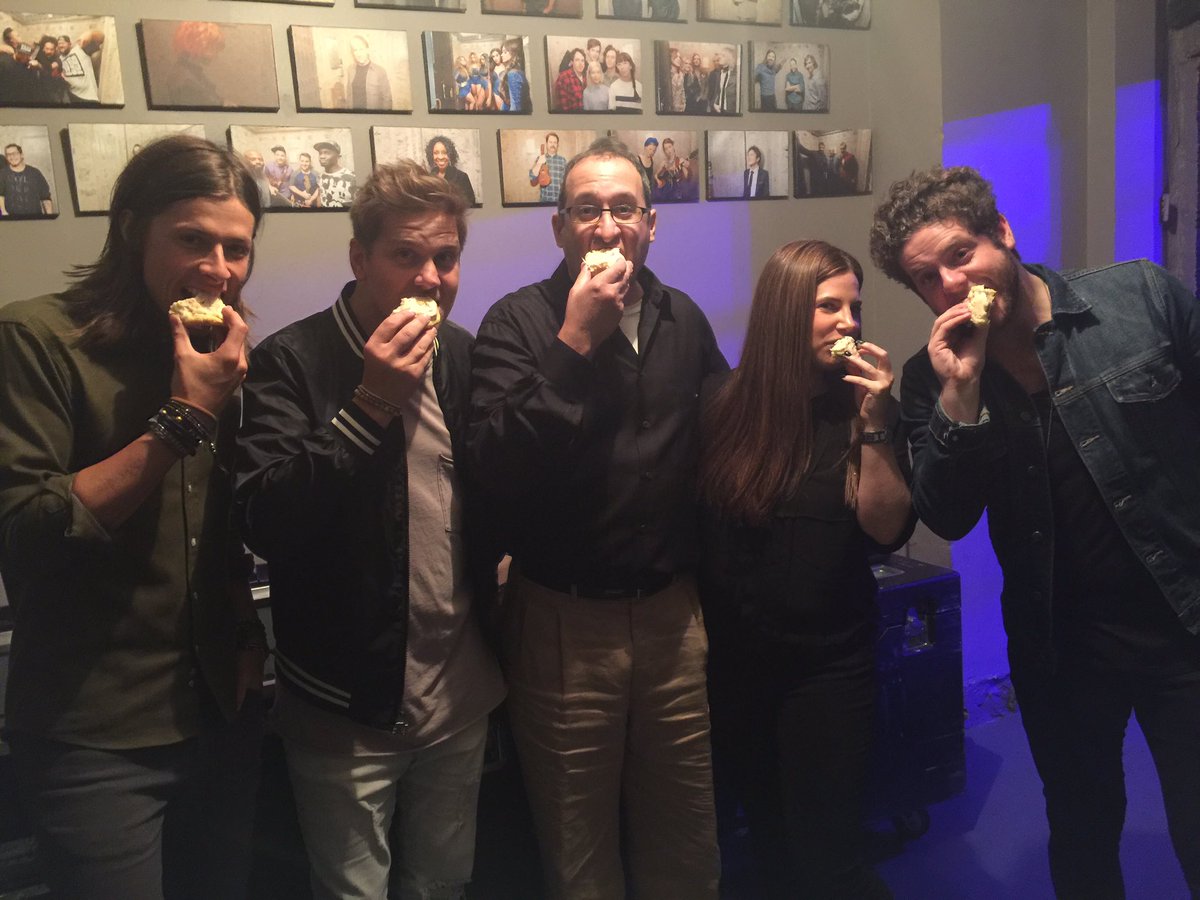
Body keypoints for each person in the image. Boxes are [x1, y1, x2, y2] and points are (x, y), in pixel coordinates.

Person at [870, 165, 1200, 900]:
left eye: (962, 256)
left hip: (1184, 621)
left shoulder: (1139, 296)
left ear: (1004, 235)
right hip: (1062, 645)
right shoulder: (935, 377)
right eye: (929, 278)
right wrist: (961, 392)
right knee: (1082, 831)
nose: (953, 284)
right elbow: (947, 516)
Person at [0, 133, 267, 900]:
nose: (217, 270)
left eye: (236, 249)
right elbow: (26, 533)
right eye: (192, 241)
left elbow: (220, 531)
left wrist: (248, 634)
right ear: (129, 229)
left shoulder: (221, 351)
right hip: (94, 732)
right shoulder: (37, 341)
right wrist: (184, 416)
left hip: (218, 713)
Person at [236, 159, 505, 900]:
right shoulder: (291, 361)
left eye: (445, 258)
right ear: (360, 258)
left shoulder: (459, 351)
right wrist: (369, 406)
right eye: (406, 255)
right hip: (342, 704)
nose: (429, 278)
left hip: (458, 694)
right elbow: (267, 519)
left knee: (442, 884)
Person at [469, 136, 727, 899]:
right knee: (578, 849)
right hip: (562, 624)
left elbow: (727, 435)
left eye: (623, 209)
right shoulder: (516, 322)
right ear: (559, 228)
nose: (607, 227)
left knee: (686, 835)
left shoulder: (684, 318)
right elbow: (494, 469)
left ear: (651, 224)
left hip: (675, 619)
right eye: (587, 210)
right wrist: (575, 341)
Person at [700, 239, 909, 899]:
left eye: (854, 306)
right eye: (829, 306)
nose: (849, 322)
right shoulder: (721, 404)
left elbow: (887, 527)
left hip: (829, 668)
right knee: (769, 844)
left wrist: (876, 422)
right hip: (737, 667)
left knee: (830, 855)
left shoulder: (861, 410)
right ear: (786, 312)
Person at [0, 143, 53, 216]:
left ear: (21, 155)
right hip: (12, 220)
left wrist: (49, 218)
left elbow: (46, 197)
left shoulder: (35, 173)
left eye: (15, 153)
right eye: (8, 155)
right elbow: (0, 195)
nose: (12, 157)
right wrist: (4, 212)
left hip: (35, 219)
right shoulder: (2, 174)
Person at [425, 133, 477, 206]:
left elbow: (471, 205)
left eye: (444, 152)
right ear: (431, 155)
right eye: (436, 153)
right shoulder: (428, 178)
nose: (440, 157)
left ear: (450, 155)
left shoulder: (462, 177)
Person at [345, 34, 392, 109]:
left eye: (361, 49)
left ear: (367, 50)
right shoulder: (350, 70)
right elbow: (349, 95)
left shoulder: (380, 71)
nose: (359, 54)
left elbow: (387, 99)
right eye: (355, 50)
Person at [58, 31, 100, 104]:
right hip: (72, 96)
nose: (60, 45)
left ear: (70, 44)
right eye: (59, 43)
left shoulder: (79, 50)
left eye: (63, 43)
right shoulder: (59, 58)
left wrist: (91, 33)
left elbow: (101, 38)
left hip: (89, 97)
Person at [314, 139, 356, 208]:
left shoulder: (351, 177)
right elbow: (320, 197)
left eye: (327, 153)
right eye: (320, 153)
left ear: (338, 156)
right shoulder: (320, 176)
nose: (322, 156)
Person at [528, 131, 566, 204]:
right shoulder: (540, 158)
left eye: (555, 142)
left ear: (557, 145)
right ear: (546, 144)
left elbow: (566, 182)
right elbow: (532, 178)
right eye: (550, 142)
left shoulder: (563, 160)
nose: (553, 144)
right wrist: (539, 163)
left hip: (559, 202)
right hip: (544, 201)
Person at [653, 137, 687, 203]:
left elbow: (686, 176)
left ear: (673, 146)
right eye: (666, 149)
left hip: (678, 195)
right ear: (664, 151)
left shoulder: (680, 160)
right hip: (666, 195)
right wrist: (658, 181)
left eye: (670, 147)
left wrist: (683, 165)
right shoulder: (664, 163)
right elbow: (655, 175)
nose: (669, 150)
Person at [499, 38, 528, 112]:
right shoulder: (513, 72)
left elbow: (516, 106)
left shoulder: (513, 74)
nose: (501, 55)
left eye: (505, 52)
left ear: (513, 53)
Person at [553, 47, 587, 112]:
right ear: (572, 62)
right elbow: (562, 107)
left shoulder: (586, 77)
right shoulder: (563, 77)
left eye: (582, 60)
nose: (580, 63)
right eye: (577, 60)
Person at [707, 49, 737, 114]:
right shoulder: (718, 74)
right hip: (718, 111)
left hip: (731, 112)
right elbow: (715, 92)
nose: (719, 57)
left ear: (729, 59)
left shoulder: (736, 75)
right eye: (720, 55)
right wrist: (714, 104)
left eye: (723, 55)